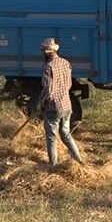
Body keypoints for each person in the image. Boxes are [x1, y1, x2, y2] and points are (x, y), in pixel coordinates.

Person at [38, 37, 84, 166]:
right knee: (66, 135)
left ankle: (53, 164)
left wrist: (41, 102)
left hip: (53, 107)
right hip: (66, 105)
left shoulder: (48, 66)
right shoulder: (66, 63)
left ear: (46, 52)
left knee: (51, 137)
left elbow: (48, 88)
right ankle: (79, 160)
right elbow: (69, 85)